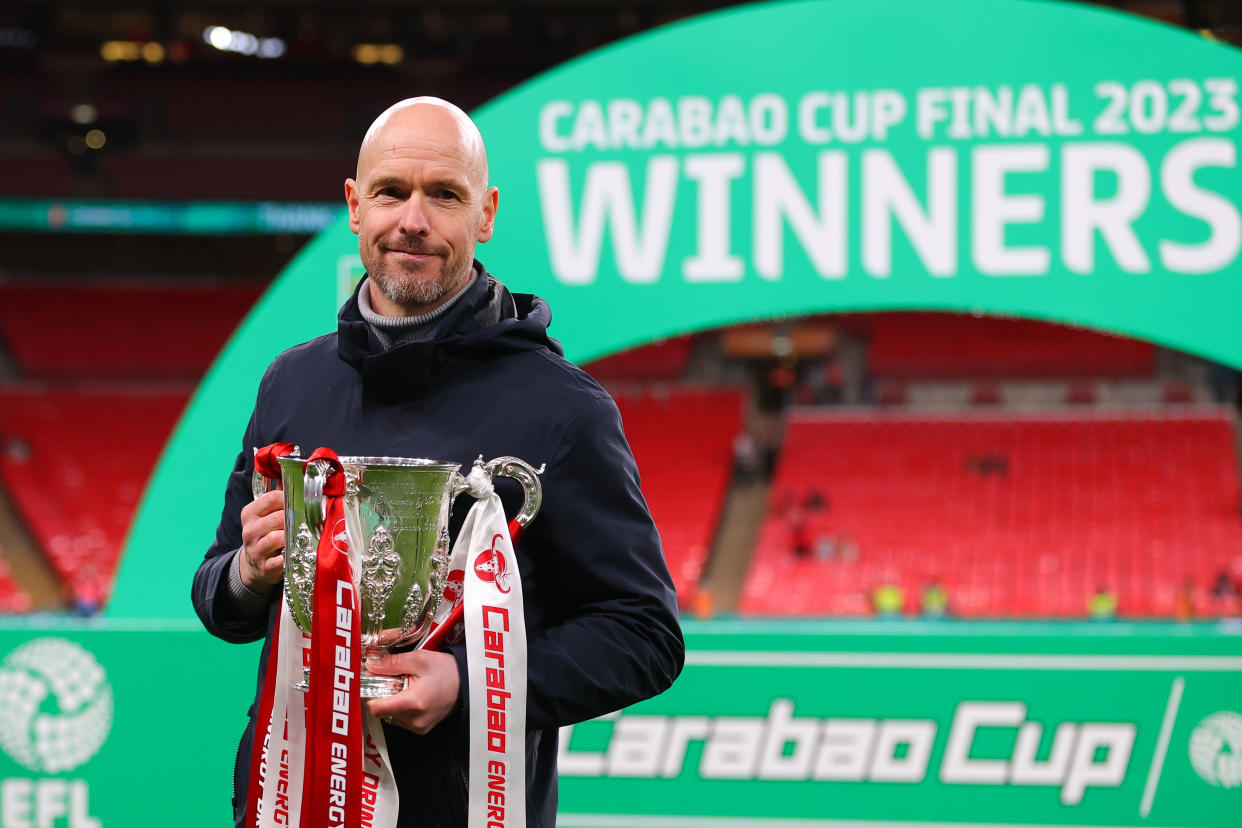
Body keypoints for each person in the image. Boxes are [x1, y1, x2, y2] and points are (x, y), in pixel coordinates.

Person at [190, 97, 685, 828]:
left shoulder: (565, 409)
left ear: (484, 215)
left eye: (443, 195)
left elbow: (645, 635)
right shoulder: (289, 384)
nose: (412, 220)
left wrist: (471, 684)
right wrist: (247, 573)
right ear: (355, 207)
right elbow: (218, 596)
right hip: (290, 806)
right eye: (392, 192)